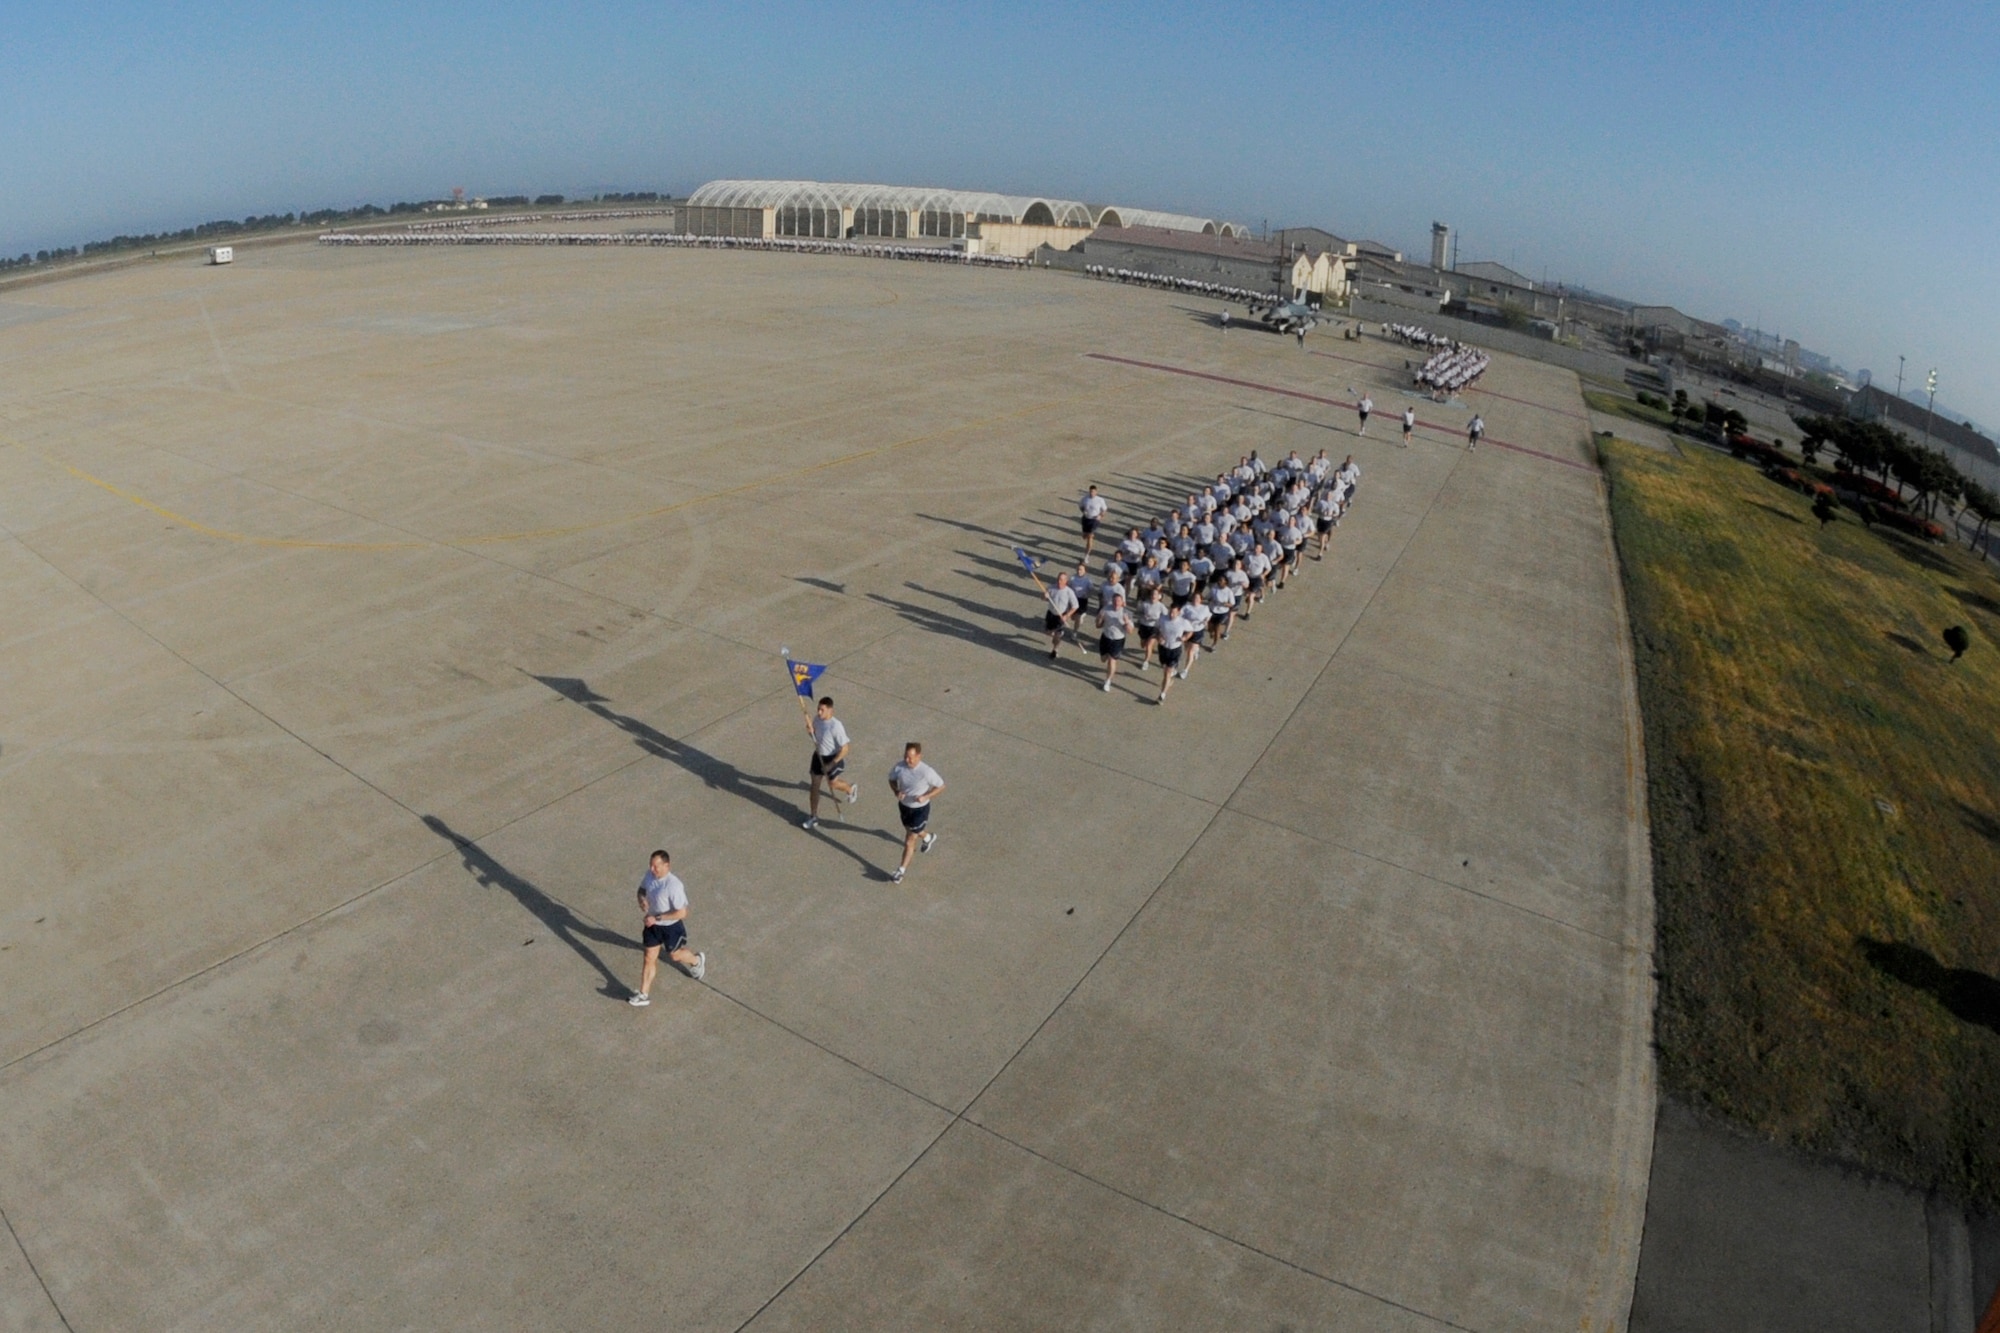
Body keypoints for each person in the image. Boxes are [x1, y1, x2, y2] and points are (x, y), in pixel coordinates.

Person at [629, 849, 704, 1006]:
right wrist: (641, 900)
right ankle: (643, 994)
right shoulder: (649, 875)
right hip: (652, 925)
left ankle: (696, 960)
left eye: (656, 866)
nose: (652, 869)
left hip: (671, 927)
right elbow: (641, 890)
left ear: (667, 866)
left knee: (675, 956)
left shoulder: (674, 886)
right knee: (649, 957)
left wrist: (657, 918)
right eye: (650, 865)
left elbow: (682, 913)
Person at [887, 743, 945, 884]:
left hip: (920, 809)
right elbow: (891, 779)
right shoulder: (899, 767)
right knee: (912, 830)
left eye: (910, 757)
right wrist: (896, 791)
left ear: (919, 756)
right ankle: (927, 837)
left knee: (909, 839)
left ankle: (900, 871)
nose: (907, 760)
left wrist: (926, 796)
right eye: (906, 756)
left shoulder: (926, 771)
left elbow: (941, 785)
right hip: (904, 807)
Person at [801, 696, 857, 829]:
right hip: (818, 756)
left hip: (833, 758)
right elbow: (816, 738)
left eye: (822, 710)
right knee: (815, 786)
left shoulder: (836, 726)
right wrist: (810, 732)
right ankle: (813, 816)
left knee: (832, 784)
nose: (819, 712)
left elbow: (845, 748)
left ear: (830, 711)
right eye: (818, 709)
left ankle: (850, 789)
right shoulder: (816, 720)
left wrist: (832, 764)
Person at [1153, 604, 1189, 704]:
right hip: (1163, 648)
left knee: (1167, 673)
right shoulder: (1162, 619)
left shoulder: (1183, 622)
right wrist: (1158, 636)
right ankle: (1170, 677)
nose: (1171, 615)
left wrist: (1184, 638)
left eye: (1174, 612)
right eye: (1170, 612)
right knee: (1164, 668)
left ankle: (1162, 695)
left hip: (1175, 649)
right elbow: (1156, 629)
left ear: (1178, 612)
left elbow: (1190, 631)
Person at [1096, 590, 1131, 692]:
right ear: (1112, 601)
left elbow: (1130, 631)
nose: (1116, 603)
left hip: (1118, 640)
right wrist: (1100, 619)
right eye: (1115, 601)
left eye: (1119, 601)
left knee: (1112, 660)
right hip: (1106, 637)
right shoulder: (1105, 610)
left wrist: (1127, 622)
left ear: (1122, 602)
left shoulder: (1126, 613)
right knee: (1103, 659)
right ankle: (1106, 656)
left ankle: (1108, 681)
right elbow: (1097, 625)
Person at [1043, 569, 1080, 660]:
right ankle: (1055, 635)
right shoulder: (1051, 588)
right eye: (1059, 579)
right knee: (1048, 632)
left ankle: (1055, 650)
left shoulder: (1069, 592)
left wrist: (1067, 615)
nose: (1059, 581)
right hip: (1051, 614)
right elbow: (1043, 598)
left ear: (1066, 581)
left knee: (1057, 636)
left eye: (1062, 580)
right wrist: (1045, 596)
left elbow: (1075, 606)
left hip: (1061, 616)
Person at [1078, 484, 1108, 560]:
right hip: (1086, 519)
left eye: (1093, 492)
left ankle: (1086, 555)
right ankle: (1086, 535)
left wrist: (1100, 516)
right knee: (1084, 536)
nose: (1092, 493)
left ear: (1096, 492)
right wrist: (1083, 511)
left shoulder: (1100, 500)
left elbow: (1104, 510)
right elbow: (1081, 506)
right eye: (1091, 492)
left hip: (1094, 520)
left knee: (1090, 536)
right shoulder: (1085, 498)